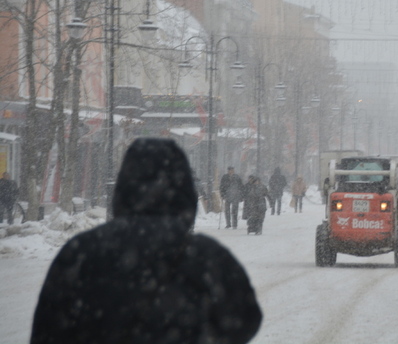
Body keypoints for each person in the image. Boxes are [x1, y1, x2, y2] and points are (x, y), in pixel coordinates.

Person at [30, 138, 262, 344]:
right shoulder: (204, 255)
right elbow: (246, 320)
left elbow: (47, 330)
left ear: (123, 187)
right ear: (184, 191)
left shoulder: (80, 252)